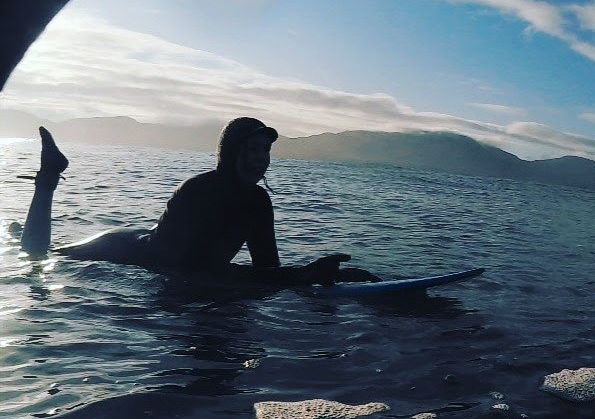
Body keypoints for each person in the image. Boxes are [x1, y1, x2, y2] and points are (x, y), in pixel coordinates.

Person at [18, 118, 379, 286]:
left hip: (162, 252)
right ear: (230, 153)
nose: (261, 158)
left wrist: (326, 277)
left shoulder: (258, 202)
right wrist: (299, 278)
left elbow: (267, 270)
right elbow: (178, 270)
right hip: (124, 248)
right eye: (252, 149)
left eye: (266, 150)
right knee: (40, 256)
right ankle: (49, 178)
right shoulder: (199, 190)